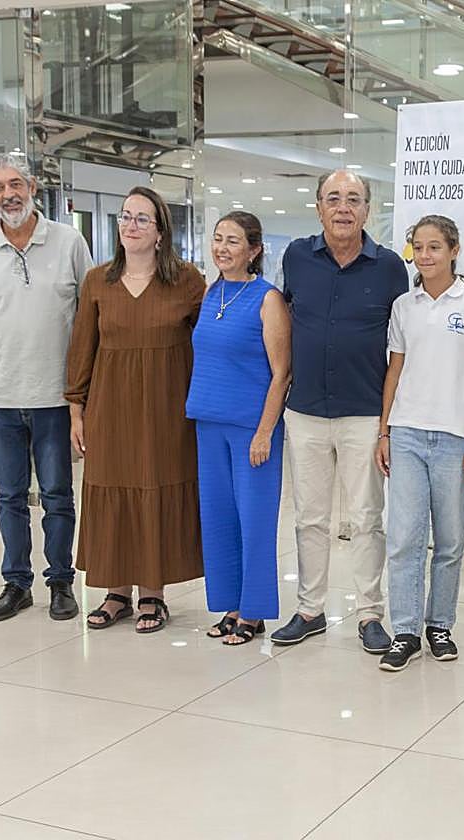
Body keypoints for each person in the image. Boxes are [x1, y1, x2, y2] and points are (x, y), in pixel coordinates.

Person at [0, 152, 92, 623]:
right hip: (1, 397)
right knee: (9, 496)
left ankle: (60, 582)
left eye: (16, 183)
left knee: (57, 494)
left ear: (33, 186)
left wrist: (81, 397)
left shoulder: (69, 242)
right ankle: (16, 583)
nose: (8, 194)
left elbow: (90, 319)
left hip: (55, 396)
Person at [274, 170, 409, 654]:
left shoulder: (391, 267)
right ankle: (309, 609)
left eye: (354, 199)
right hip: (305, 408)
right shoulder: (296, 257)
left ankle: (370, 613)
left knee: (366, 517)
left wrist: (389, 423)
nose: (343, 207)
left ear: (368, 210)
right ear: (318, 207)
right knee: (308, 516)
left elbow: (402, 346)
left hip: (364, 413)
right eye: (334, 198)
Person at [65, 186, 206, 633]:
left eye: (142, 218)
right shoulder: (97, 280)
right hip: (110, 406)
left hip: (169, 408)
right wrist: (75, 408)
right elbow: (82, 347)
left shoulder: (187, 280)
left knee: (156, 486)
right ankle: (115, 593)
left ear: (161, 231)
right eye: (126, 216)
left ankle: (153, 593)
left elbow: (208, 347)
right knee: (112, 486)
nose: (131, 224)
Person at [374, 215, 464, 671]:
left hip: (456, 438)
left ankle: (439, 624)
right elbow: (395, 371)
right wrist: (385, 431)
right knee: (405, 538)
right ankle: (405, 630)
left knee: (448, 541)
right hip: (406, 434)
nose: (425, 256)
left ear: (453, 250)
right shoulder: (404, 306)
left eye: (434, 247)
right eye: (418, 248)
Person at [187, 212, 291, 645]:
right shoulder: (211, 292)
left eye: (233, 241)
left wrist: (265, 430)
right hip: (208, 423)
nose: (223, 248)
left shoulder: (267, 299)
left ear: (254, 250)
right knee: (219, 520)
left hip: (252, 427)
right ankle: (231, 605)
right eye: (218, 240)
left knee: (254, 521)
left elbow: (282, 371)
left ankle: (254, 612)